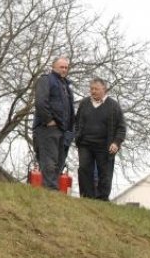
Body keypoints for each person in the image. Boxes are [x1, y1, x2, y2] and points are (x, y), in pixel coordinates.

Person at [74, 77, 126, 200]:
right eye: (91, 89)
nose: (93, 91)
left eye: (96, 89)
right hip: (85, 144)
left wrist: (116, 143)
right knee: (84, 169)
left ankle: (102, 199)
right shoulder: (84, 103)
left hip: (105, 145)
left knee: (105, 173)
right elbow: (77, 122)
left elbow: (121, 127)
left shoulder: (113, 106)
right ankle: (87, 197)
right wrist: (77, 136)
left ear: (104, 89)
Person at [33, 57, 74, 191]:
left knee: (59, 162)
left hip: (63, 130)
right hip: (48, 128)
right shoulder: (46, 80)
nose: (64, 70)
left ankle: (53, 189)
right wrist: (48, 120)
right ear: (54, 67)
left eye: (66, 67)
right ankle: (49, 189)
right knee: (49, 161)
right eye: (61, 67)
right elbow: (40, 101)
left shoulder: (66, 86)